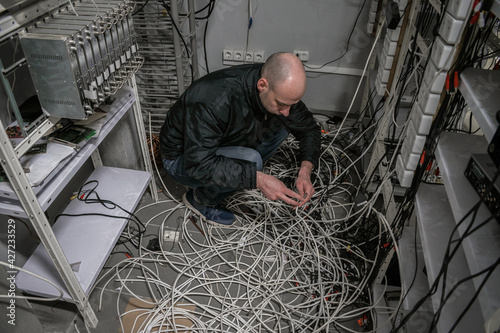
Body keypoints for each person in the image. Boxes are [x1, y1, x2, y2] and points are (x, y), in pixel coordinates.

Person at [160, 52, 321, 225]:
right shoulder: (212, 101)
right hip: (183, 159)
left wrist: (305, 171)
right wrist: (257, 179)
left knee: (284, 123)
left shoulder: (278, 89)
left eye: (292, 104)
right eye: (282, 103)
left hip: (216, 142)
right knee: (252, 162)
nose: (287, 110)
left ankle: (237, 174)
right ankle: (200, 199)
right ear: (262, 85)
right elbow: (199, 164)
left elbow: (309, 129)